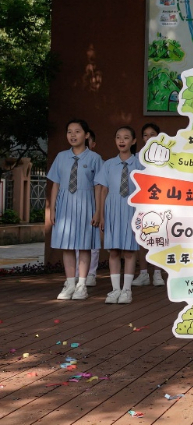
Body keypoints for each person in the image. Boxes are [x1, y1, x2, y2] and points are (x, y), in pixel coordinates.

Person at [49, 119, 103, 300]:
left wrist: (98, 211)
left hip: (86, 204)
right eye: (69, 131)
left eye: (77, 131)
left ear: (86, 135)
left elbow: (98, 187)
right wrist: (53, 209)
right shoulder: (61, 157)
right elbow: (55, 184)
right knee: (67, 246)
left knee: (84, 246)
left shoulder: (95, 158)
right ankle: (70, 284)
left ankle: (82, 285)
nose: (73, 135)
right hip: (65, 205)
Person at [94, 126, 142, 304]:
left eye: (126, 137)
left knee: (129, 250)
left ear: (133, 141)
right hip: (112, 209)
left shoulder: (140, 165)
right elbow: (103, 190)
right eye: (118, 137)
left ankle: (127, 290)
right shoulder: (108, 164)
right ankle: (115, 289)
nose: (122, 141)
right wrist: (101, 215)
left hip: (132, 209)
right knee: (113, 250)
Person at [133, 122, 165, 287]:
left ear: (158, 136)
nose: (148, 138)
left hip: (159, 201)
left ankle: (157, 273)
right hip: (141, 202)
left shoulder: (165, 155)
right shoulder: (136, 157)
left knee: (157, 237)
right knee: (141, 237)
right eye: (145, 135)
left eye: (152, 134)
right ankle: (143, 273)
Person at [76, 130, 101, 287]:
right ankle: (76, 273)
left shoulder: (97, 160)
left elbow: (101, 186)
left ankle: (91, 273)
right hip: (78, 205)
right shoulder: (72, 160)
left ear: (93, 144)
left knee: (92, 241)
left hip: (93, 205)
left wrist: (99, 209)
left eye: (88, 141)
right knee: (77, 241)